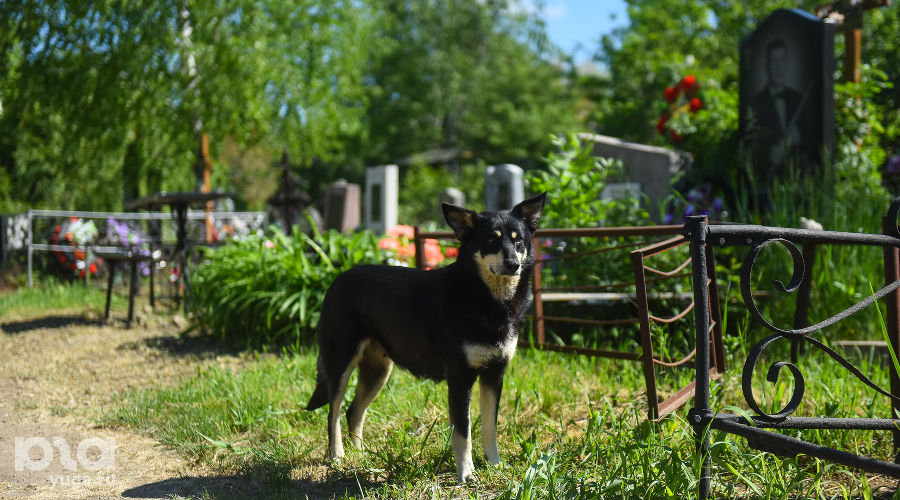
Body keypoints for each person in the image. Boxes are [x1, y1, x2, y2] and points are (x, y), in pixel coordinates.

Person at [748, 38, 812, 176]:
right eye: (773, 61)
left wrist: (799, 137)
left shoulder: (798, 99)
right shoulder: (755, 104)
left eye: (781, 60)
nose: (777, 67)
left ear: (787, 63)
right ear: (767, 66)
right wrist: (770, 154)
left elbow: (813, 140)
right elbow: (750, 145)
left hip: (797, 177)